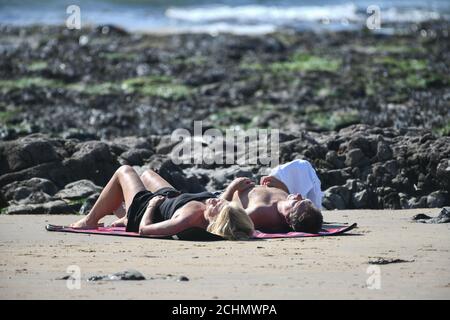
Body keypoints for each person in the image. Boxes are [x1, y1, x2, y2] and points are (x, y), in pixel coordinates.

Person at [70, 165, 254, 240]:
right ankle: (124, 216)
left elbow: (145, 230)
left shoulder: (187, 219)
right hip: (171, 196)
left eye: (217, 206)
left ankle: (90, 221)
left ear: (216, 220)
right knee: (147, 174)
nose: (215, 201)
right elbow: (227, 211)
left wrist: (151, 207)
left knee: (124, 170)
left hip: (145, 207)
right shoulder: (214, 212)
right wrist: (233, 186)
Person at [221, 159, 323, 234]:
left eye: (296, 202)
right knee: (303, 166)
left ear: (287, 219)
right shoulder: (287, 204)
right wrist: (282, 187)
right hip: (264, 187)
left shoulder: (259, 212)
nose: (299, 195)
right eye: (304, 199)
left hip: (226, 194)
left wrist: (232, 188)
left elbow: (222, 215)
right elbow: (290, 202)